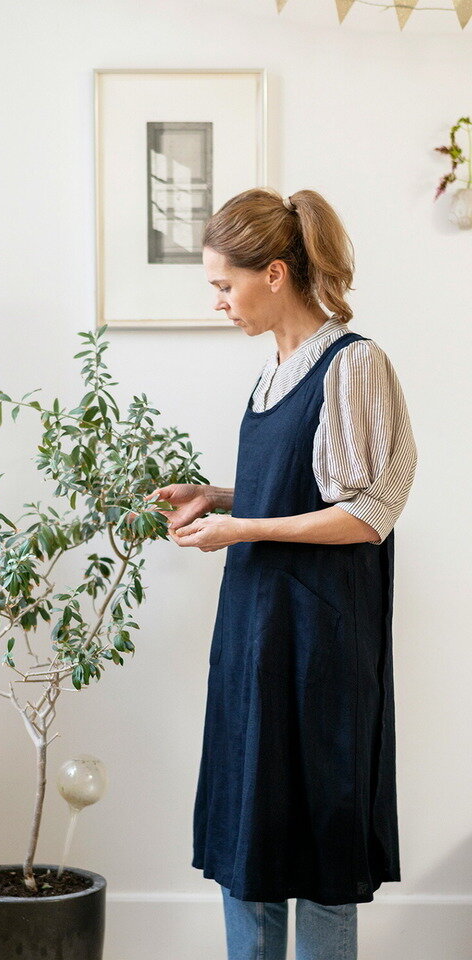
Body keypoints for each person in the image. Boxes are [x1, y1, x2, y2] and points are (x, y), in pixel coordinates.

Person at [144, 188, 418, 960]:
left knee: (322, 851)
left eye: (223, 286)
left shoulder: (353, 364)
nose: (218, 303)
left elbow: (366, 514)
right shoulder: (275, 371)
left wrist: (243, 527)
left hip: (318, 647)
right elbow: (303, 486)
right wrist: (219, 496)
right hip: (257, 636)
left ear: (273, 273)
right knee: (250, 839)